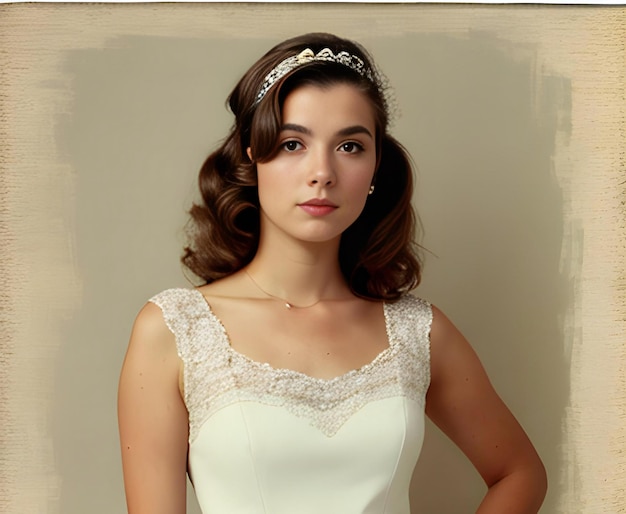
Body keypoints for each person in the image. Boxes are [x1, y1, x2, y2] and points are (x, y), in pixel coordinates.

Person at [117, 33, 547, 514]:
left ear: (375, 167)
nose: (321, 172)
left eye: (349, 146)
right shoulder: (176, 330)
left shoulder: (417, 332)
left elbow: (519, 472)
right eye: (292, 143)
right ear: (251, 155)